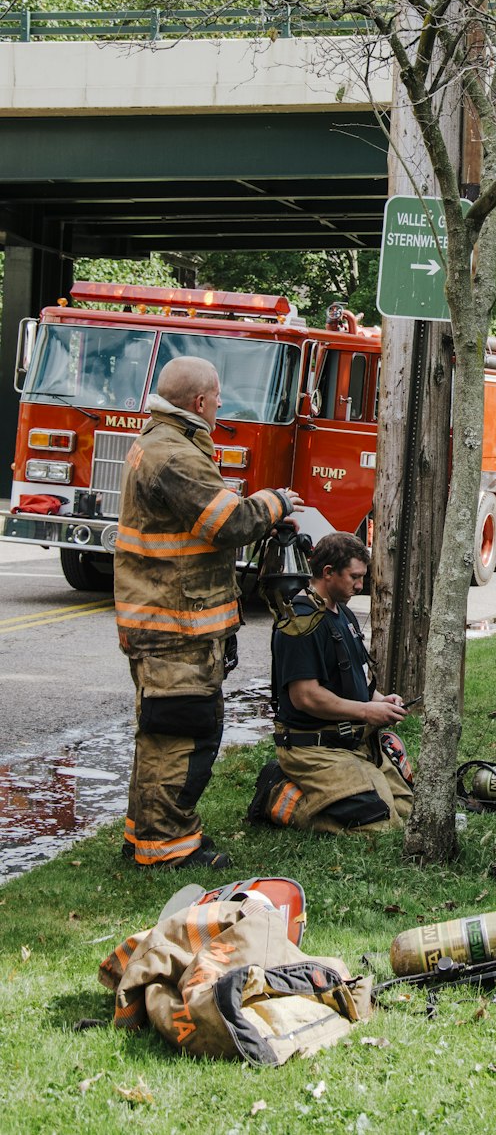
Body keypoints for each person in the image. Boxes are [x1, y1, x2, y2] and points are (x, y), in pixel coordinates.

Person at [115, 356, 303, 870]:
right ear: (200, 403)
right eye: (218, 398)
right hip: (174, 626)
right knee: (180, 734)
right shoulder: (174, 455)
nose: (221, 406)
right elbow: (228, 523)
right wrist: (275, 502)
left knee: (160, 734)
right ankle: (168, 848)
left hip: (167, 621)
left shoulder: (162, 443)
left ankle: (144, 836)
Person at [248, 533, 414, 833]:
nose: (360, 585)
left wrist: (380, 701)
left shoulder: (343, 612)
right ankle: (276, 794)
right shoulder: (300, 622)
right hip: (314, 749)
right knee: (380, 825)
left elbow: (356, 680)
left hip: (354, 743)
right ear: (327, 573)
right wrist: (366, 712)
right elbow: (305, 697)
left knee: (408, 811)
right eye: (354, 577)